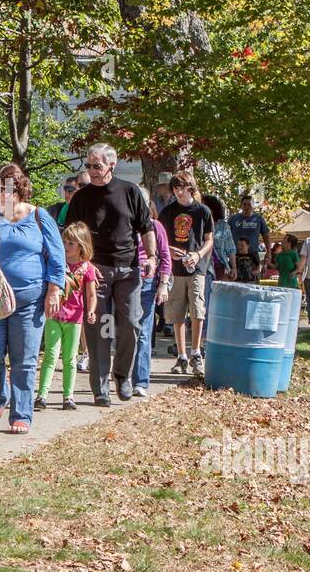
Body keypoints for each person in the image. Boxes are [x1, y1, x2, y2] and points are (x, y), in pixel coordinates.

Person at [64, 142, 157, 404]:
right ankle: (100, 387)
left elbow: (146, 227)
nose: (92, 171)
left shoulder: (129, 191)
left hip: (129, 271)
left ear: (111, 166)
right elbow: (70, 234)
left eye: (97, 166)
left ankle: (122, 375)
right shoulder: (82, 198)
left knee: (130, 325)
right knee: (100, 329)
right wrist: (76, 264)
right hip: (96, 271)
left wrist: (151, 257)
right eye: (88, 165)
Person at [0, 163, 66, 433]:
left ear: (20, 190)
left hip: (30, 300)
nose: (1, 196)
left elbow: (57, 256)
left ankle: (22, 414)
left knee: (24, 359)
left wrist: (54, 289)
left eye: (7, 190)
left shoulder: (39, 216)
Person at [37, 222, 98, 410]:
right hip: (53, 315)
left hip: (75, 318)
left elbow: (91, 294)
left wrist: (90, 310)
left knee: (70, 358)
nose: (65, 246)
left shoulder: (86, 268)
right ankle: (42, 395)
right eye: (63, 242)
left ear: (82, 245)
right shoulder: (56, 263)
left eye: (71, 243)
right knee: (50, 355)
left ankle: (68, 396)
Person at [158, 170, 213, 377]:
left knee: (198, 311)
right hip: (175, 269)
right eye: (175, 188)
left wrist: (198, 255)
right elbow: (161, 240)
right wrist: (169, 251)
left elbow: (209, 239)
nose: (178, 192)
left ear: (190, 187)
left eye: (182, 188)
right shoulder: (167, 211)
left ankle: (196, 352)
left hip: (197, 268)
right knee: (177, 313)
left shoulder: (203, 211)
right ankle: (181, 355)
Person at [132, 189, 170, 398]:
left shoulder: (155, 227)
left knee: (144, 333)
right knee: (126, 332)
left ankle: (140, 381)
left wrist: (163, 285)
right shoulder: (126, 225)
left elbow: (165, 257)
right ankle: (124, 377)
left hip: (147, 284)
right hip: (126, 283)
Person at [228, 194, 270, 267]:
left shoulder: (258, 219)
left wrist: (269, 251)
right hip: (236, 255)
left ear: (253, 206)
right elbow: (226, 236)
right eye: (244, 204)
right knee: (234, 277)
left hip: (253, 255)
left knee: (253, 276)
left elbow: (266, 235)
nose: (247, 207)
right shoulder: (233, 219)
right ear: (241, 205)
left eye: (249, 204)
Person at [203, 193, 235, 282]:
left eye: (204, 206)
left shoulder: (223, 226)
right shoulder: (197, 224)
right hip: (202, 269)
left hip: (220, 269)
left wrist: (234, 268)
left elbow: (230, 249)